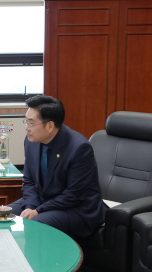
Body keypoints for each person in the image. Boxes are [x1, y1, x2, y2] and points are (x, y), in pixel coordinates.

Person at [10, 95, 106, 242]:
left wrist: (38, 211)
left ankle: (40, 264)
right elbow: (29, 180)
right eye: (26, 121)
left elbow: (74, 194)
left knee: (37, 224)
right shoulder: (31, 141)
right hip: (43, 201)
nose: (26, 128)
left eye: (31, 123)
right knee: (2, 215)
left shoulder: (79, 148)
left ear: (49, 126)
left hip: (77, 209)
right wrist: (30, 206)